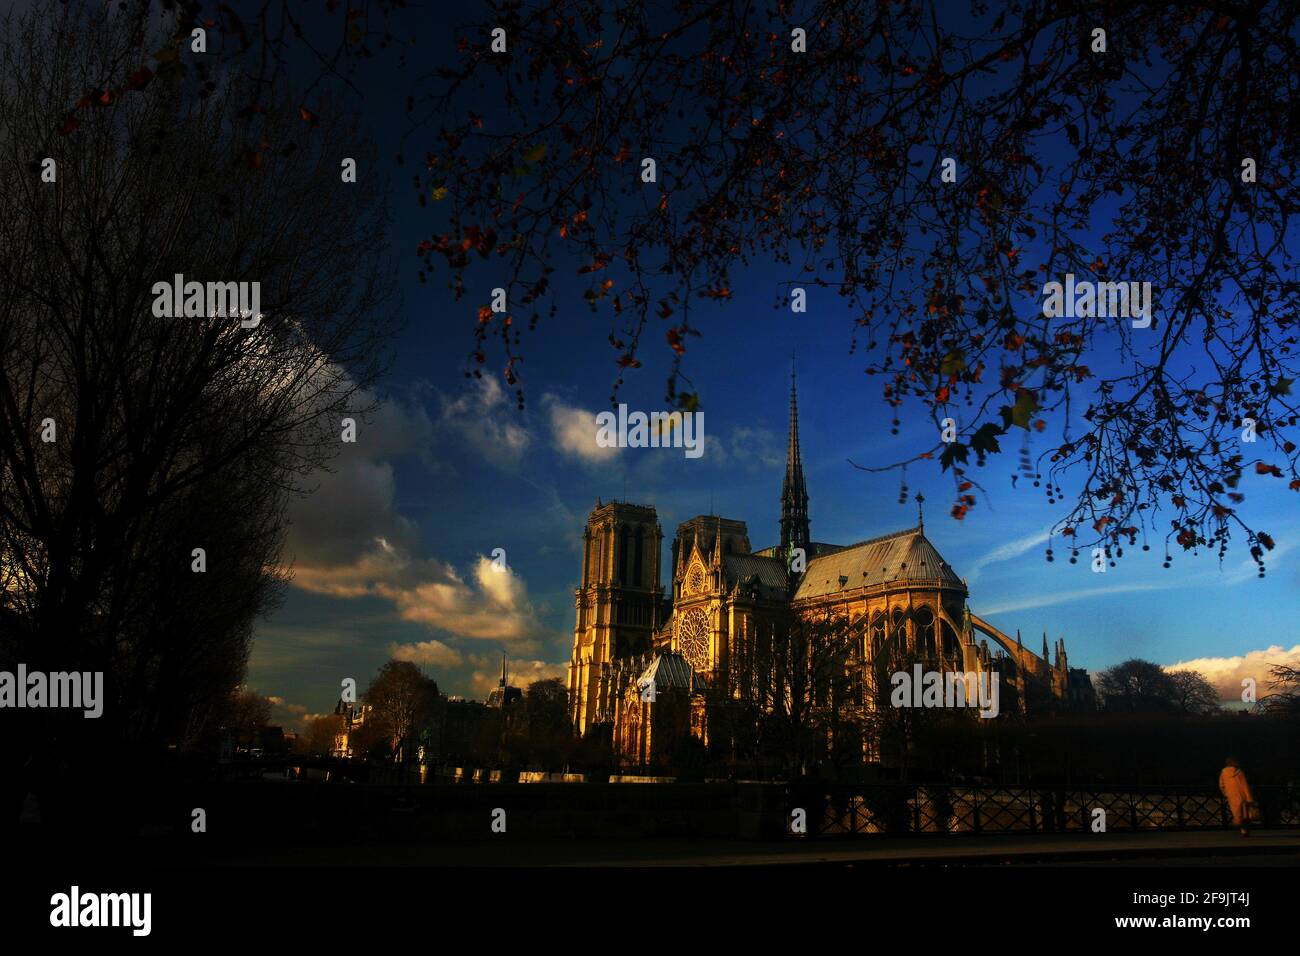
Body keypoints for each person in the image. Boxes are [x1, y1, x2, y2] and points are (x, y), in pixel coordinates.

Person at [1218, 757, 1255, 837]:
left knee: (1237, 814)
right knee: (1245, 814)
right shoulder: (1239, 772)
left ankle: (1239, 827)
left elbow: (1221, 785)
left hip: (1232, 796)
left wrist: (1226, 793)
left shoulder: (1223, 772)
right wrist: (1249, 797)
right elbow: (1245, 786)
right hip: (1242, 795)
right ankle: (1244, 830)